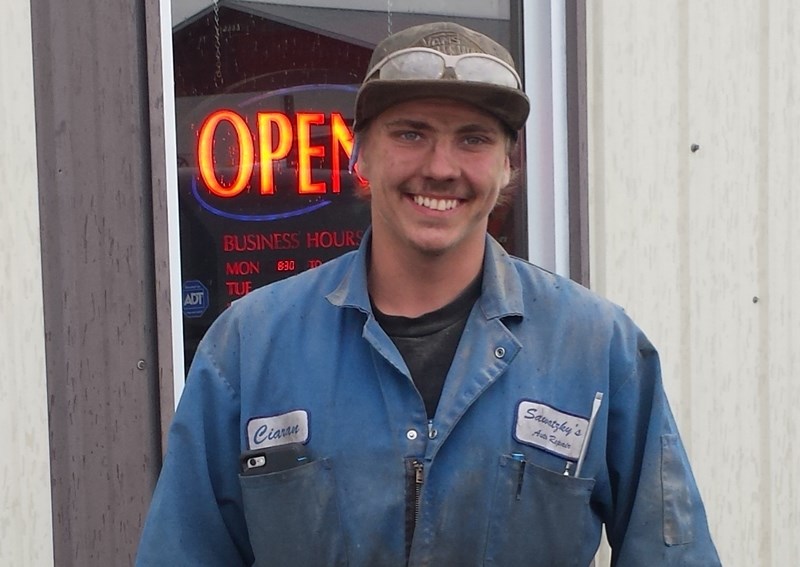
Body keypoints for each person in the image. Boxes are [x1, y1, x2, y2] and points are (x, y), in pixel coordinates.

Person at [137, 22, 721, 566]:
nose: (440, 167)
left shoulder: (598, 350)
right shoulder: (249, 348)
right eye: (411, 133)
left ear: (507, 166)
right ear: (359, 154)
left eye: (472, 139)